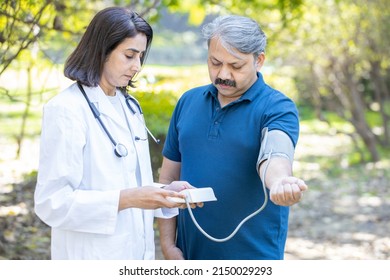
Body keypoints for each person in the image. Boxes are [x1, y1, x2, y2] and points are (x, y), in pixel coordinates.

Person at [34, 7, 196, 260]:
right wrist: (128, 198)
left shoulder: (130, 106)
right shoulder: (67, 109)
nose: (137, 66)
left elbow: (126, 181)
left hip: (136, 254)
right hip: (90, 256)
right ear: (101, 50)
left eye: (141, 56)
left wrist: (164, 193)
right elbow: (52, 203)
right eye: (129, 55)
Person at [157, 15, 308, 260]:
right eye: (215, 63)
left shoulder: (277, 106)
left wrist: (280, 181)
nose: (223, 74)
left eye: (235, 66)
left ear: (259, 60)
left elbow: (275, 152)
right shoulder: (188, 101)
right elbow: (169, 177)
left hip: (254, 258)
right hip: (188, 255)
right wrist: (168, 245)